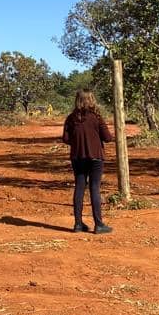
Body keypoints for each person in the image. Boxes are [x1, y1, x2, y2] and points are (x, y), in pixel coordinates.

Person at [61, 89, 114, 234]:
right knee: (94, 188)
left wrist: (78, 142)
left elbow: (65, 139)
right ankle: (99, 224)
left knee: (79, 187)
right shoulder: (96, 117)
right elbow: (108, 138)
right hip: (96, 156)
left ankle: (78, 224)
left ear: (77, 100)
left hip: (77, 157)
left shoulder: (71, 118)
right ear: (91, 100)